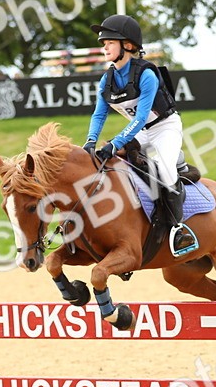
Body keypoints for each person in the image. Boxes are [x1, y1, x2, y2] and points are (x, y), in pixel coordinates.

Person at [84, 14, 198, 258]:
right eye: (103, 42)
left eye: (110, 42)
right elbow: (98, 115)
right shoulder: (107, 79)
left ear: (128, 45)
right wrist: (91, 141)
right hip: (142, 133)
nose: (104, 46)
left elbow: (139, 117)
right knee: (110, 164)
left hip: (165, 127)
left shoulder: (147, 74)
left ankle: (180, 229)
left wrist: (116, 142)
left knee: (166, 172)